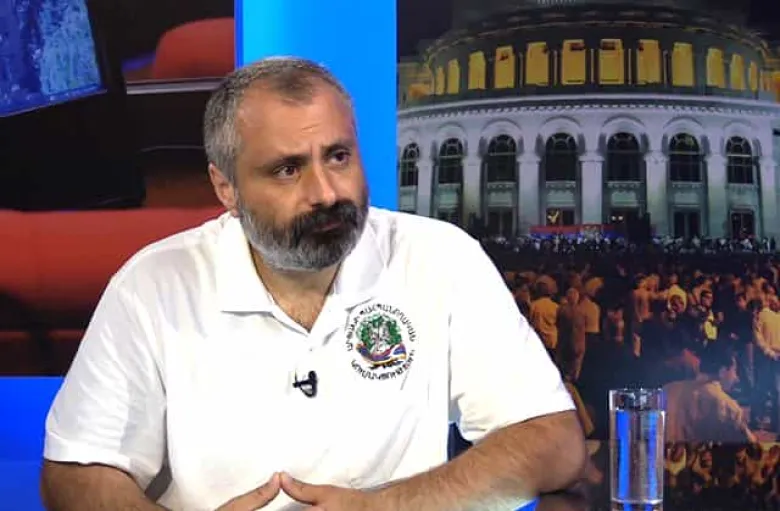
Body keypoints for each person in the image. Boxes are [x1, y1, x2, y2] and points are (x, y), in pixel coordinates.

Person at [39, 57, 586, 511]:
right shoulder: (153, 285)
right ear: (225, 188)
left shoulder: (441, 258)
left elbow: (553, 443)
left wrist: (385, 507)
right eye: (287, 169)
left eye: (338, 157)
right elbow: (75, 475)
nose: (325, 193)